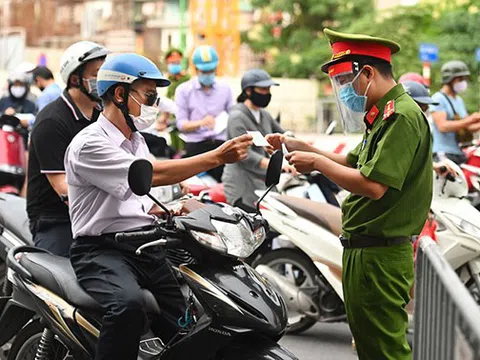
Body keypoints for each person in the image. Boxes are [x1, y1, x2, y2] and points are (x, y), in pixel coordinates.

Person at [65, 53, 252, 360]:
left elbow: (138, 195)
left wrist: (173, 208)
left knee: (187, 320)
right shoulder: (90, 143)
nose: (154, 104)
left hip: (145, 245)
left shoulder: (136, 140)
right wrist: (217, 156)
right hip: (100, 250)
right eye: (149, 95)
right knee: (127, 308)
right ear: (120, 94)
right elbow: (153, 175)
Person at [267, 29, 432, 360]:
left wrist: (315, 163)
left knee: (385, 351)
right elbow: (350, 161)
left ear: (368, 73)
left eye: (346, 80)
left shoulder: (401, 115)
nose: (344, 91)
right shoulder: (382, 115)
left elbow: (373, 185)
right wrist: (302, 146)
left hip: (380, 256)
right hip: (364, 250)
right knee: (370, 347)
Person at [26, 41, 110, 257]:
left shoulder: (102, 116)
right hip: (56, 217)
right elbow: (63, 188)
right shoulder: (52, 122)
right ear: (75, 79)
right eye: (97, 75)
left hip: (97, 214)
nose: (103, 82)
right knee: (63, 281)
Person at [222, 69, 293, 211]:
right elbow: (243, 153)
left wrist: (299, 148)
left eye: (269, 89)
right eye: (263, 89)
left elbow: (283, 135)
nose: (267, 93)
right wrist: (277, 165)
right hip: (242, 184)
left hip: (262, 181)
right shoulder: (237, 117)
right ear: (248, 91)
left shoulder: (264, 114)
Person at [175, 45, 234, 181]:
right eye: (204, 71)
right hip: (196, 145)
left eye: (211, 70)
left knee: (227, 182)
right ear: (196, 69)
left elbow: (232, 115)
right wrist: (201, 123)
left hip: (221, 143)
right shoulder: (183, 90)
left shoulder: (225, 89)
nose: (208, 74)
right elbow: (181, 124)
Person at [403, 80, 458, 179]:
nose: (427, 109)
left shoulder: (419, 127)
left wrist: (434, 166)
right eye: (423, 106)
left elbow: (414, 159)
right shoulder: (401, 128)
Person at [430, 60, 480, 164]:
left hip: (459, 152)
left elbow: (468, 127)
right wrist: (470, 119)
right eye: (460, 79)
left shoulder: (458, 100)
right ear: (450, 79)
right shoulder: (438, 98)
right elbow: (442, 126)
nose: (463, 82)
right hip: (443, 153)